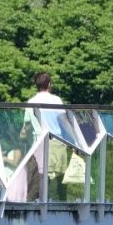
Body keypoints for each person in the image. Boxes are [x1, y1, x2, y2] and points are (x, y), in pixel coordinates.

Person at [26, 72, 71, 200]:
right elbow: (64, 122)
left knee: (39, 178)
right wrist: (73, 141)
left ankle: (40, 203)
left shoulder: (31, 102)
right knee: (59, 181)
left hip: (38, 143)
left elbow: (27, 126)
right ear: (49, 84)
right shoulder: (56, 100)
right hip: (57, 142)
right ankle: (58, 204)